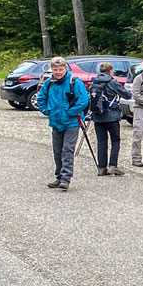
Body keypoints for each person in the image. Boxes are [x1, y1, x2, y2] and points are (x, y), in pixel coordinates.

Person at [37, 56, 89, 191]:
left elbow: (83, 101)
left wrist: (70, 112)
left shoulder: (75, 82)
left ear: (66, 69)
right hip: (56, 122)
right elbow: (41, 98)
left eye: (60, 69)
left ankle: (66, 178)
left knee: (67, 150)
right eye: (55, 69)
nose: (58, 72)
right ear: (52, 70)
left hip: (72, 122)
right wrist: (46, 111)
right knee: (57, 151)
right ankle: (59, 177)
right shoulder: (49, 83)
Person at [91, 62, 132, 176]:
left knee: (101, 141)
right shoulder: (112, 82)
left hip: (97, 116)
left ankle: (102, 168)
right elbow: (127, 95)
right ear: (110, 71)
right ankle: (113, 166)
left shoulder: (94, 82)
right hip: (111, 116)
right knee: (115, 140)